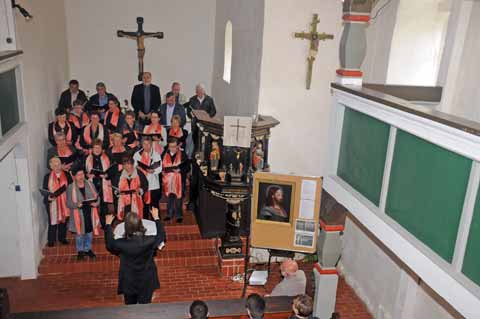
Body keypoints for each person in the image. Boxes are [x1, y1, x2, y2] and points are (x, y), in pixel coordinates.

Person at [104, 208, 165, 305]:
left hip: (129, 280)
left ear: (126, 227)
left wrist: (108, 225)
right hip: (146, 278)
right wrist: (156, 218)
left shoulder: (121, 243)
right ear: (140, 225)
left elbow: (109, 244)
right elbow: (161, 236)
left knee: (130, 306)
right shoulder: (148, 241)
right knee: (145, 305)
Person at [67, 165, 100, 260]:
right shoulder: (70, 187)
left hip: (90, 212)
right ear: (74, 177)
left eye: (82, 174)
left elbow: (97, 197)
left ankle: (88, 249)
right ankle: (80, 251)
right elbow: (69, 203)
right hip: (78, 213)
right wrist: (77, 205)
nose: (81, 177)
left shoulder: (90, 184)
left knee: (89, 232)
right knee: (79, 234)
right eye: (78, 175)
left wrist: (96, 203)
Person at [42, 157, 72, 247]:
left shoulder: (67, 174)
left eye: (58, 164)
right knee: (52, 220)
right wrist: (48, 197)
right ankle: (51, 240)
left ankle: (62, 238)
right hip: (52, 202)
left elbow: (71, 187)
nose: (57, 166)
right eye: (54, 165)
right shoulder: (47, 177)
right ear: (51, 166)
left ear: (61, 165)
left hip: (65, 201)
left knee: (64, 220)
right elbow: (45, 189)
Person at [85, 139, 114, 228]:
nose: (97, 150)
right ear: (92, 149)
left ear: (102, 148)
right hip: (92, 183)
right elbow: (83, 172)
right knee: (90, 204)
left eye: (99, 148)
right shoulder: (87, 158)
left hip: (103, 183)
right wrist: (88, 175)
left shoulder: (107, 157)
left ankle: (104, 223)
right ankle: (91, 224)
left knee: (103, 205)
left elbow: (112, 171)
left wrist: (106, 175)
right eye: (95, 148)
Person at [134, 137, 162, 219]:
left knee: (154, 206)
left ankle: (156, 223)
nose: (146, 146)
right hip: (142, 184)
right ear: (142, 144)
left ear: (151, 144)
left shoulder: (156, 154)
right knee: (144, 206)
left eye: (148, 144)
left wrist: (153, 171)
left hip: (153, 184)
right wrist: (138, 168)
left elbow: (160, 168)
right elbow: (133, 166)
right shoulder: (137, 154)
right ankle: (145, 223)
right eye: (144, 144)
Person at [162, 137, 189, 223]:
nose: (172, 149)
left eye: (174, 146)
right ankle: (169, 214)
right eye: (170, 147)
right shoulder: (164, 153)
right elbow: (160, 165)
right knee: (170, 197)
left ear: (178, 146)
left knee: (178, 198)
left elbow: (187, 166)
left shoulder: (183, 154)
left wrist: (180, 170)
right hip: (168, 180)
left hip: (179, 180)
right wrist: (162, 171)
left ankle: (178, 215)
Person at [113, 157, 148, 221]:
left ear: (132, 164)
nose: (126, 167)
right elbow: (115, 186)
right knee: (126, 218)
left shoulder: (139, 173)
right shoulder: (119, 174)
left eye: (128, 164)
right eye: (124, 165)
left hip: (136, 199)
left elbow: (145, 185)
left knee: (136, 218)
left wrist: (140, 190)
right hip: (124, 201)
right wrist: (117, 192)